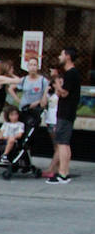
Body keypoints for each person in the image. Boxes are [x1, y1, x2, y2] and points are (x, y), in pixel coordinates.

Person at [46, 47, 79, 185]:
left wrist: (57, 82)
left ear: (68, 56)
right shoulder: (69, 73)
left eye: (61, 54)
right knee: (62, 142)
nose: (59, 56)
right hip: (65, 112)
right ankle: (62, 172)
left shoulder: (71, 73)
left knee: (63, 143)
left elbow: (64, 93)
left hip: (66, 112)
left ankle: (63, 173)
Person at [9, 57, 48, 123]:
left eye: (34, 65)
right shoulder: (24, 79)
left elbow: (46, 95)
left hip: (36, 110)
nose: (32, 67)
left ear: (38, 67)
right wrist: (18, 100)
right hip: (24, 109)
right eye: (30, 65)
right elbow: (11, 88)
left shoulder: (43, 80)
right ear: (27, 67)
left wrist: (39, 101)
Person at [41, 66, 61, 178]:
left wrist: (56, 77)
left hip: (58, 122)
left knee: (59, 146)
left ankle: (51, 168)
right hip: (50, 121)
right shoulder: (51, 95)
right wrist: (45, 91)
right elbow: (43, 104)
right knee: (56, 146)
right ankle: (57, 168)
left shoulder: (61, 94)